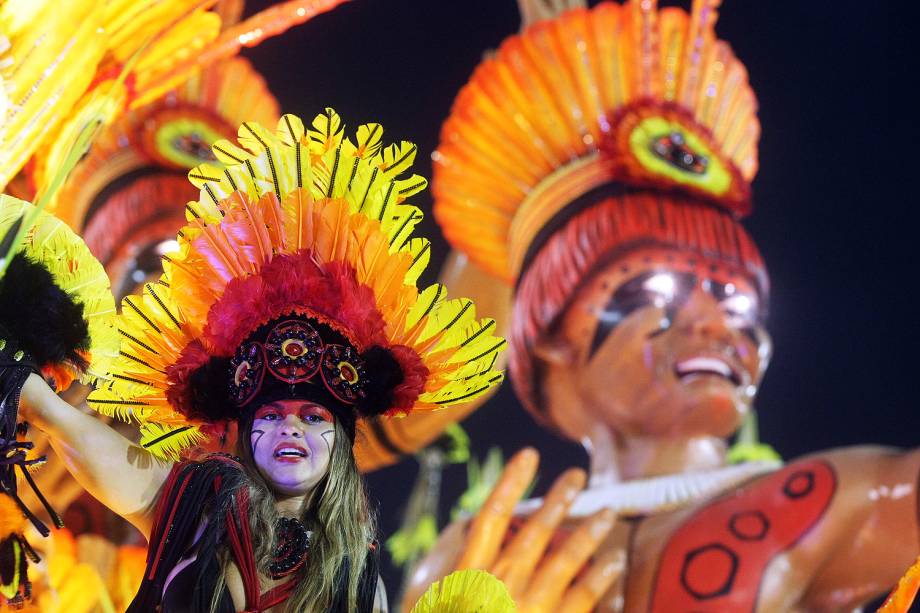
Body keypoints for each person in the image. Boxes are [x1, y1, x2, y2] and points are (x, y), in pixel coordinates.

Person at [404, 1, 920, 611]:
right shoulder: (476, 554)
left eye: (736, 297)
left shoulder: (846, 500)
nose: (716, 322)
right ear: (549, 331)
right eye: (655, 292)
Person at [3, 109, 506, 612]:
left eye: (312, 416)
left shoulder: (357, 580)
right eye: (271, 415)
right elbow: (76, 433)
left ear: (342, 440)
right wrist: (25, 389)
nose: (291, 429)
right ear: (244, 431)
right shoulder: (192, 508)